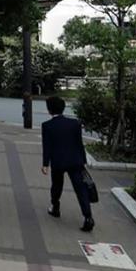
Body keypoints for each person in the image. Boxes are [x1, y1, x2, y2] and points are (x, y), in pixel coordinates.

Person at [40, 95, 94, 232]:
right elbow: (79, 144)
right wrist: (83, 160)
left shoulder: (47, 126)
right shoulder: (75, 123)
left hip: (58, 161)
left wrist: (45, 164)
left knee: (57, 185)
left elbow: (47, 146)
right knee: (80, 189)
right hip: (75, 161)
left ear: (49, 110)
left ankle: (55, 207)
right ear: (63, 108)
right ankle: (88, 217)